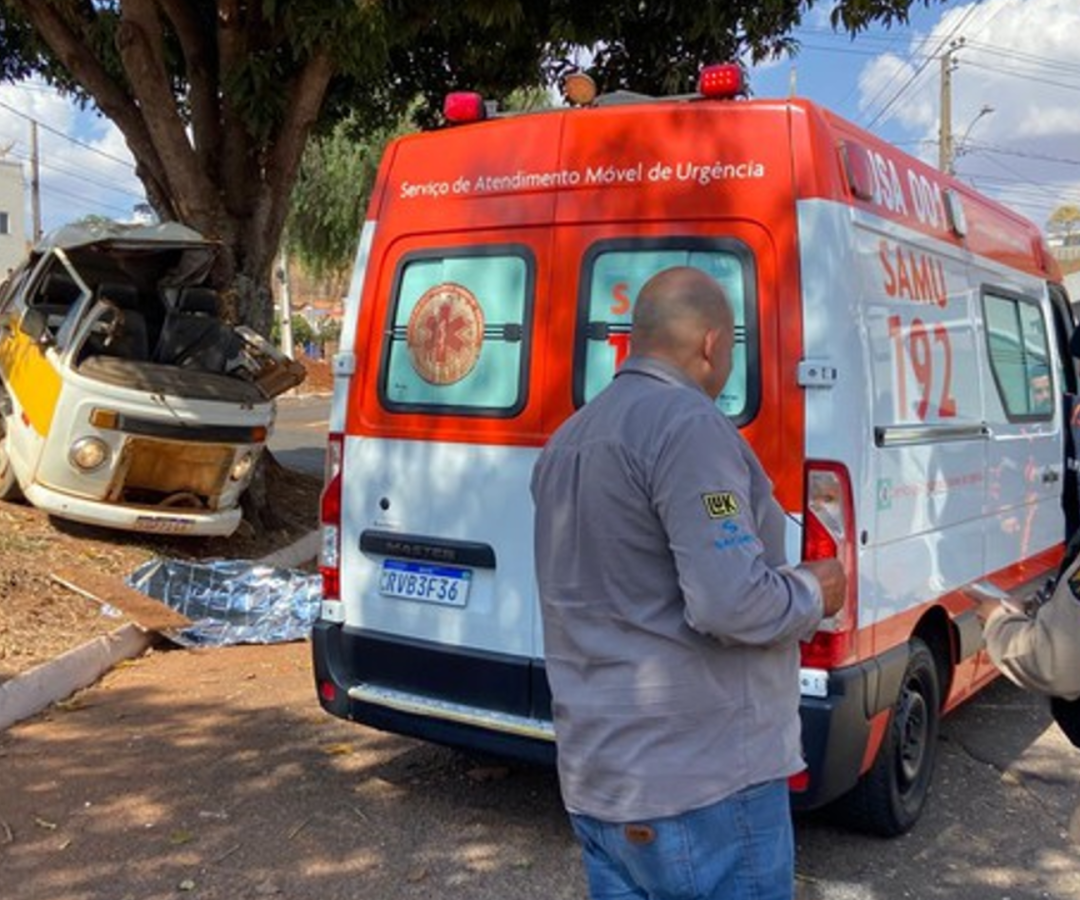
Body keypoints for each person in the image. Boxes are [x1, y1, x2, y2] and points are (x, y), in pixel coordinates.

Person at [530, 266, 846, 900]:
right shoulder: (690, 431)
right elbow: (730, 600)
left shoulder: (569, 440)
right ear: (711, 343)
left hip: (601, 782)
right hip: (702, 789)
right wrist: (813, 591)